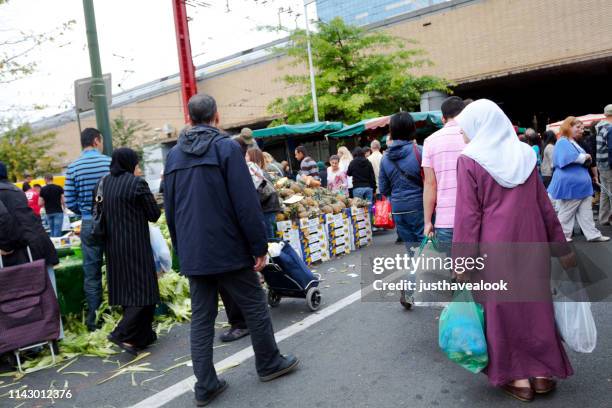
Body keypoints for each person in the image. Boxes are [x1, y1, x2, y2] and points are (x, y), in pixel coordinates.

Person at [163, 94, 298, 406]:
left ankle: (206, 385)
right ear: (217, 116)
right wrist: (258, 246)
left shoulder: (173, 156)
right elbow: (245, 202)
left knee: (202, 317)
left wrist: (182, 250)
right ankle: (268, 363)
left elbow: (170, 209)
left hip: (195, 251)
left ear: (189, 118)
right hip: (228, 246)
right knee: (253, 305)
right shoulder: (225, 147)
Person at [453, 99, 574, 402]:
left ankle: (519, 379)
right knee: (536, 306)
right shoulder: (524, 154)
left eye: (466, 129)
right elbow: (544, 206)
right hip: (532, 241)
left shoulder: (470, 159)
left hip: (494, 247)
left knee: (503, 310)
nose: (463, 136)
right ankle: (544, 375)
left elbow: (468, 215)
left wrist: (462, 262)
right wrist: (560, 247)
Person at [95, 148, 161, 355]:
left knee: (126, 291)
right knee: (144, 290)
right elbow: (154, 214)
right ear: (130, 163)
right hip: (135, 245)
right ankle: (121, 333)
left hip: (113, 247)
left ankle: (139, 338)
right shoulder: (136, 183)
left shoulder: (103, 183)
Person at [0, 162, 63, 345]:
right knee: (48, 292)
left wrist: (7, 245)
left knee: (24, 297)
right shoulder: (13, 189)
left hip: (23, 248)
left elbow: (3, 220)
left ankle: (31, 339)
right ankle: (55, 335)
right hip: (39, 242)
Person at [64, 128, 112, 331]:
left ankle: (95, 320)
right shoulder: (109, 162)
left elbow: (69, 201)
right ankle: (120, 312)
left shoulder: (73, 168)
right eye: (101, 141)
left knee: (91, 273)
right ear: (96, 140)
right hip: (111, 221)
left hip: (88, 223)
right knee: (117, 268)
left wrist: (85, 211)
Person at [379, 112, 424, 308]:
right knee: (426, 249)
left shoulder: (385, 158)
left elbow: (383, 188)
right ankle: (410, 287)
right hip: (419, 206)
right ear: (412, 128)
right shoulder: (419, 151)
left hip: (398, 208)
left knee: (413, 251)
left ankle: (411, 287)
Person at [548, 117, 609, 242]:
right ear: (568, 127)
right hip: (572, 184)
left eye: (582, 128)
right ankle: (562, 235)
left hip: (579, 184)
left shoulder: (570, 141)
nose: (581, 130)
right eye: (578, 127)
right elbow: (566, 158)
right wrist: (585, 156)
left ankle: (592, 234)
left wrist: (586, 159)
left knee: (585, 211)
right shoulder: (563, 141)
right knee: (567, 211)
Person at [422, 96, 466, 253]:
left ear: (442, 118)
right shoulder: (474, 136)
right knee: (478, 267)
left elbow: (430, 184)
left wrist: (428, 221)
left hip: (445, 219)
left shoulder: (430, 141)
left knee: (454, 264)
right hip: (474, 216)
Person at [246, 147, 282, 240]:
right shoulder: (262, 172)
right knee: (271, 237)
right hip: (270, 208)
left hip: (266, 209)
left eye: (247, 155)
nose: (245, 158)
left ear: (252, 158)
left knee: (269, 239)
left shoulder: (258, 174)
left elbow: (258, 193)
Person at [596, 104, 612, 226]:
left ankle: (603, 218)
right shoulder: (610, 128)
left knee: (605, 192)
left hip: (601, 164)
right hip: (609, 165)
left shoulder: (600, 127)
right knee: (610, 192)